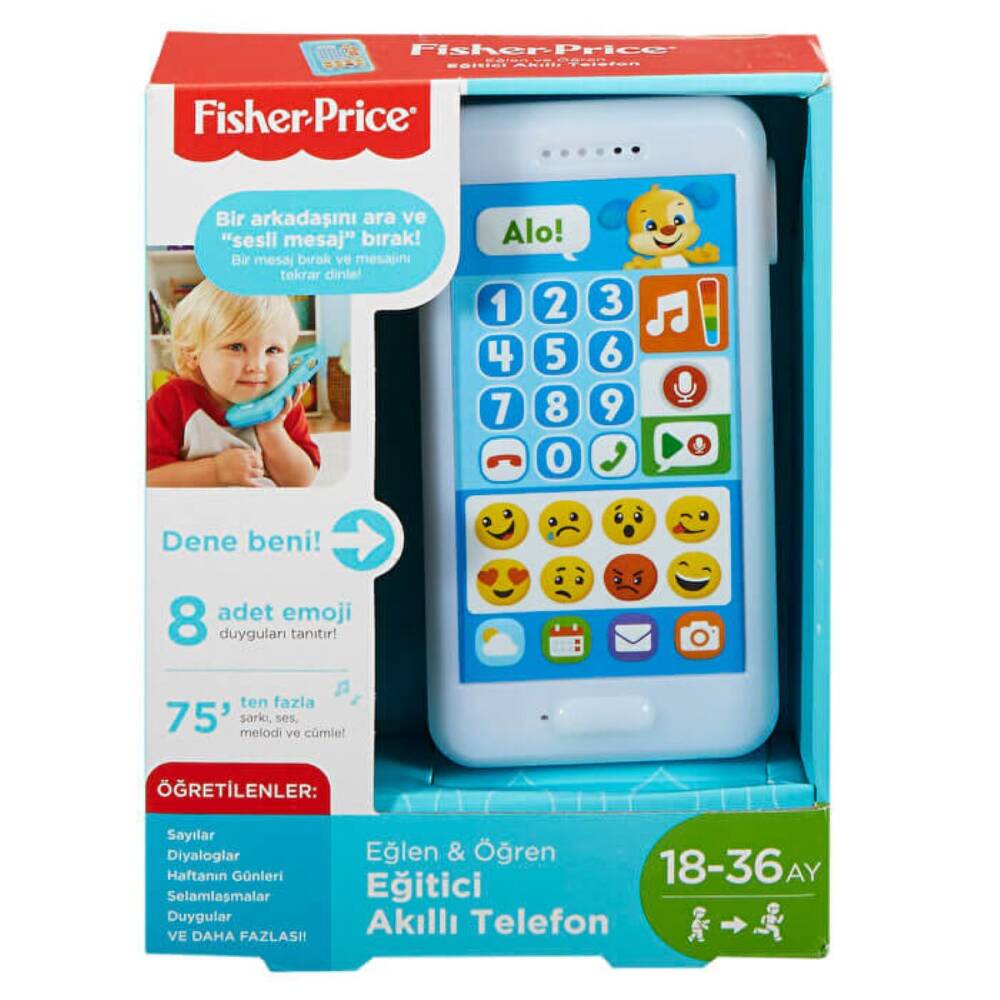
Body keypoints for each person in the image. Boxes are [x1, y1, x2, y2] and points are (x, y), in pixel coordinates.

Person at [147, 281, 319, 487]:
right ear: (192, 354)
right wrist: (215, 472)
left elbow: (301, 481)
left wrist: (272, 431)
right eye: (236, 347)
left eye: (272, 350)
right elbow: (149, 479)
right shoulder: (171, 401)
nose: (257, 366)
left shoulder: (283, 403)